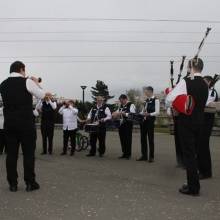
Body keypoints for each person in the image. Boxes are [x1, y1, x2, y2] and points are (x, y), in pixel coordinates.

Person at [0, 61, 52, 192]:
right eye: (24, 70)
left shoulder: (3, 84)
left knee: (11, 155)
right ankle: (30, 183)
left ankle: (13, 184)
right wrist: (36, 82)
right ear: (21, 69)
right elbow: (43, 95)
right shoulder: (27, 81)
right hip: (26, 124)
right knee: (28, 154)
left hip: (9, 124)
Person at [166, 58, 208, 196]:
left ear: (190, 67)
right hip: (200, 122)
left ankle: (193, 187)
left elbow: (169, 99)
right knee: (194, 154)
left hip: (186, 122)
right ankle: (193, 182)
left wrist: (177, 95)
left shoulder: (185, 81)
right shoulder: (205, 84)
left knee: (189, 155)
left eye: (187, 67)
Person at [197, 76, 218, 180]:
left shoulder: (213, 92)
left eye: (204, 82)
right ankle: (201, 168)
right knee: (200, 146)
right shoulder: (205, 91)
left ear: (210, 82)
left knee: (203, 146)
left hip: (207, 122)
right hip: (201, 121)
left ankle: (206, 172)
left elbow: (205, 103)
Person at [137, 86, 160, 162]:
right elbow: (144, 110)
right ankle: (144, 156)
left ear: (150, 91)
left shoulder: (156, 100)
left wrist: (149, 114)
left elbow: (157, 112)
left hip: (150, 121)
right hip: (143, 122)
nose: (145, 93)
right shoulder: (146, 100)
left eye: (146, 91)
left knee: (150, 139)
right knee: (143, 139)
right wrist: (140, 113)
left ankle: (151, 157)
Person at [113, 94, 136, 160]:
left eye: (122, 100)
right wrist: (114, 113)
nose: (121, 102)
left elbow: (132, 114)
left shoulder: (131, 104)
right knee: (122, 139)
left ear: (125, 99)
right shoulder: (121, 106)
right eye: (120, 101)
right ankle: (124, 153)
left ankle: (128, 154)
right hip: (121, 124)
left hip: (128, 124)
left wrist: (123, 113)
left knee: (128, 139)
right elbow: (117, 112)